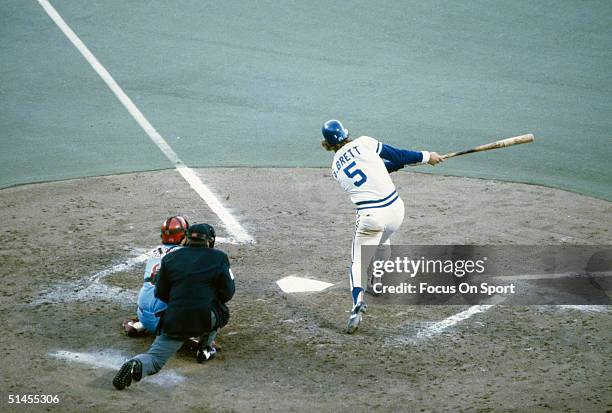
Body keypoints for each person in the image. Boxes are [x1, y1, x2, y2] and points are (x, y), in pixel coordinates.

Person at [321, 119, 443, 334]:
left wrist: (397, 164)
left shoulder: (335, 169)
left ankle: (357, 300)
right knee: (383, 240)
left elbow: (371, 174)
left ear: (328, 144)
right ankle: (377, 280)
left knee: (358, 261)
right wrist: (427, 157)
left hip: (371, 217)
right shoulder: (364, 142)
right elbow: (395, 156)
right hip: (396, 212)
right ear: (345, 133)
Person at [113, 223, 235, 390]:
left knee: (155, 358)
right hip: (205, 316)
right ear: (210, 240)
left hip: (175, 318)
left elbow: (160, 292)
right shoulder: (219, 257)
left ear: (186, 238)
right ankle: (205, 348)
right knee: (220, 309)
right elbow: (228, 293)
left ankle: (136, 365)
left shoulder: (170, 258)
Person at [123, 216, 189, 337]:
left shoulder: (155, 251)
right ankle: (193, 334)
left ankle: (140, 325)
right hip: (164, 321)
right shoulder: (185, 256)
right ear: (183, 236)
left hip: (142, 314)